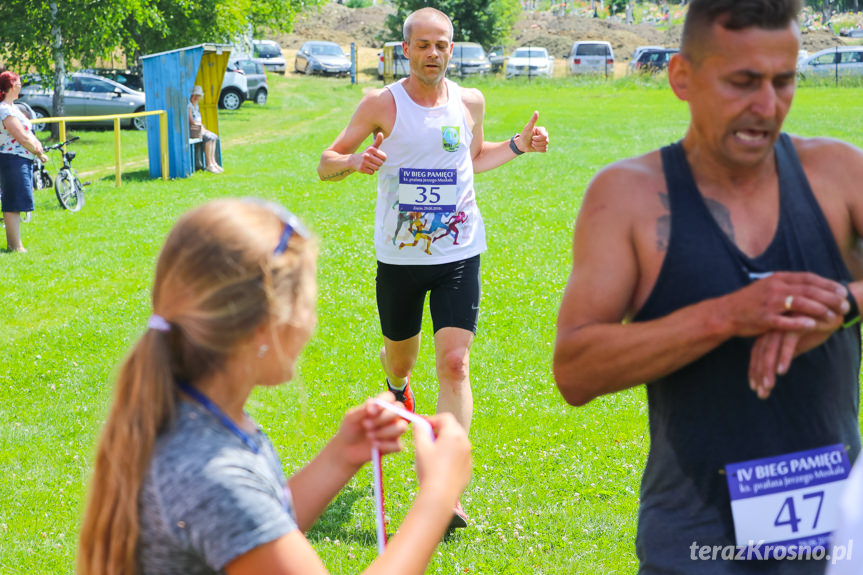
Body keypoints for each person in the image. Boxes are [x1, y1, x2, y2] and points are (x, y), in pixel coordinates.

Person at [553, 0, 862, 572]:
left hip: (837, 529)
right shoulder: (627, 198)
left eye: (784, 81)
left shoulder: (840, 175)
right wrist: (727, 316)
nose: (767, 106)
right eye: (742, 82)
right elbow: (575, 370)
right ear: (682, 77)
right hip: (695, 540)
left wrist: (844, 302)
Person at [76, 198, 471, 575]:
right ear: (266, 325)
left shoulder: (200, 418)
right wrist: (435, 499)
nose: (312, 322)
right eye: (308, 303)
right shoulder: (213, 473)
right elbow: (237, 507)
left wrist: (342, 455)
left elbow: (256, 524)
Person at [317, 7, 549, 529]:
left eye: (441, 44)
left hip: (458, 252)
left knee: (455, 364)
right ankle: (398, 388)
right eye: (422, 45)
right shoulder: (382, 103)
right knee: (401, 360)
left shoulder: (470, 100)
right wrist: (355, 162)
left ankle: (443, 493)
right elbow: (326, 161)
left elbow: (472, 159)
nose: (433, 53)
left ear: (451, 47)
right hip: (399, 257)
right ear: (406, 49)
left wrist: (517, 146)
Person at [0, 71, 47, 252]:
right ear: (11, 85)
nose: (21, 85)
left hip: (20, 158)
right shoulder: (4, 109)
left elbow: (27, 133)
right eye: (18, 82)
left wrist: (37, 145)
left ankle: (15, 244)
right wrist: (39, 152)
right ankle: (16, 246)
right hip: (11, 159)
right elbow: (20, 136)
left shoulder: (13, 108)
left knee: (17, 201)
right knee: (13, 202)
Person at [188, 85, 223, 173]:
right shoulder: (188, 106)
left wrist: (203, 129)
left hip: (198, 128)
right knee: (208, 137)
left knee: (213, 136)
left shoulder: (196, 106)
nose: (196, 97)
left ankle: (213, 161)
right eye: (194, 95)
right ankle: (209, 164)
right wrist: (202, 129)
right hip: (192, 129)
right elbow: (191, 121)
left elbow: (199, 121)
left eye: (198, 96)